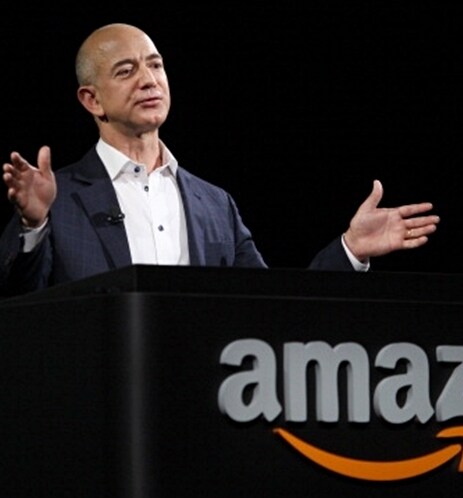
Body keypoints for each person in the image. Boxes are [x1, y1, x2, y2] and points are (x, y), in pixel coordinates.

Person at [0, 23, 440, 296]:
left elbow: (269, 304)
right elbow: (19, 301)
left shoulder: (214, 204)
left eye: (155, 65)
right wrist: (34, 225)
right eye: (126, 71)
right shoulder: (57, 198)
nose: (149, 80)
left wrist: (348, 251)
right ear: (92, 99)